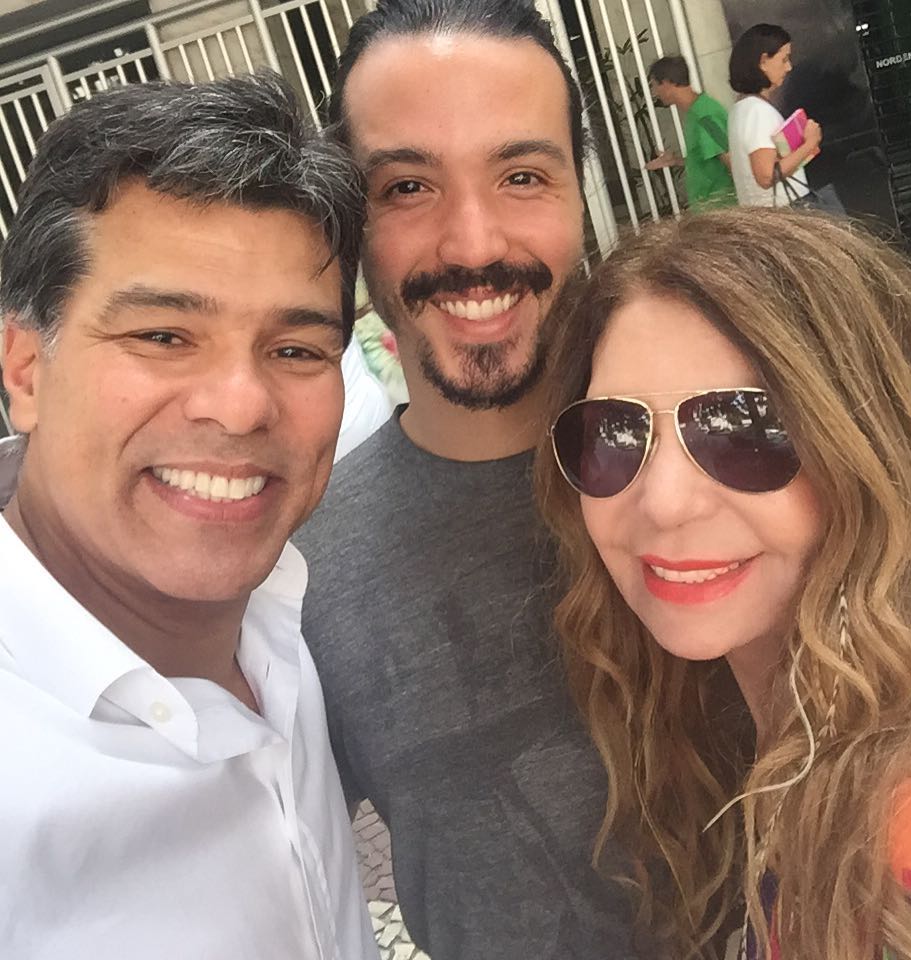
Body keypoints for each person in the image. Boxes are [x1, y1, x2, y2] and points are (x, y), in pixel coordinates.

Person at [294, 1, 649, 957]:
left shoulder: (728, 467)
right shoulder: (295, 575)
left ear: (582, 195)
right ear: (350, 230)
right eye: (407, 186)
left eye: (522, 176)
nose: (474, 245)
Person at [0, 74, 379, 960]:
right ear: (24, 369)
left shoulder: (280, 623)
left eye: (296, 349)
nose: (240, 406)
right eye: (163, 336)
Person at [535, 206, 911, 960]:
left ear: (876, 451)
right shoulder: (784, 740)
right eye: (614, 433)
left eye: (744, 428)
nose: (664, 503)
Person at [727, 24, 822, 206]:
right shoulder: (757, 111)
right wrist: (810, 143)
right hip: (786, 208)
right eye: (784, 59)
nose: (789, 67)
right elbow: (766, 176)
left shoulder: (741, 109)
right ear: (763, 62)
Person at [645, 56, 737, 211]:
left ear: (667, 83)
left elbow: (731, 160)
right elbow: (707, 160)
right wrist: (676, 161)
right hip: (711, 210)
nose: (654, 93)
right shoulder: (696, 112)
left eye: (654, 86)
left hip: (722, 210)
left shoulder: (705, 115)